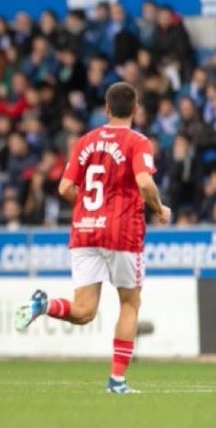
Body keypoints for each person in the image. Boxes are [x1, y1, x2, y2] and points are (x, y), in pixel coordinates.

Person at [14, 82, 172, 394]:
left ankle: (43, 305)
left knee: (84, 311)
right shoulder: (138, 142)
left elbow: (63, 188)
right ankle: (117, 381)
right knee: (129, 304)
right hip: (122, 232)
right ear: (135, 109)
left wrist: (90, 208)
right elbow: (144, 182)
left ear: (107, 109)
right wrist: (158, 208)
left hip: (84, 229)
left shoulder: (85, 140)